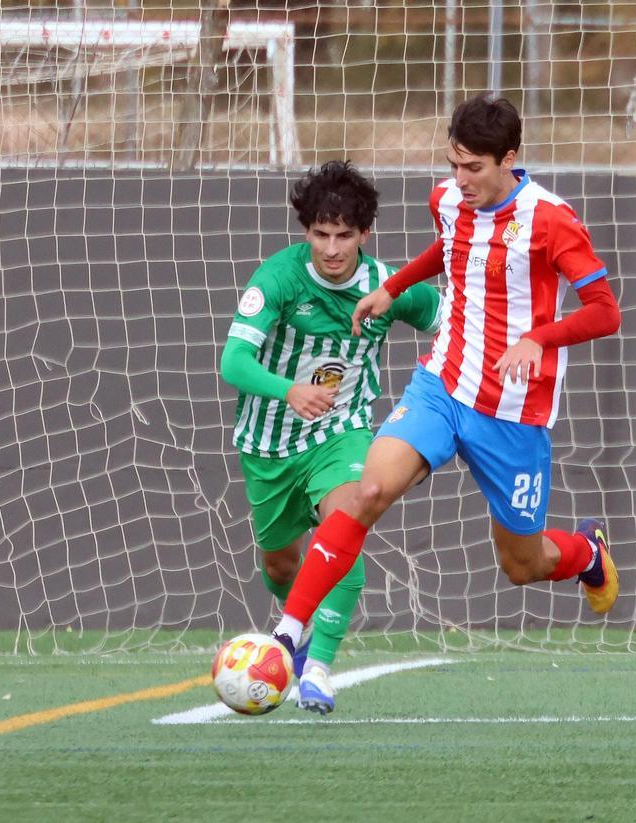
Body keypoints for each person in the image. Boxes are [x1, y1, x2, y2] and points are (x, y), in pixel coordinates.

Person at [269, 97, 623, 659]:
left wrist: (539, 337)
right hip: (443, 383)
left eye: (474, 168)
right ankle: (287, 635)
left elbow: (606, 311)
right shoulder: (449, 199)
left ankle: (586, 554)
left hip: (511, 409)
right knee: (370, 490)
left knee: (522, 565)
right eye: (454, 165)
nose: (460, 180)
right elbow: (452, 248)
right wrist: (394, 286)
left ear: (509, 157)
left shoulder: (551, 219)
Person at [220, 160, 441, 714]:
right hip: (268, 443)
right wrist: (287, 390)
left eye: (344, 235)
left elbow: (449, 319)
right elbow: (233, 362)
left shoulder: (389, 288)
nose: (332, 247)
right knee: (279, 566)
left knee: (346, 521)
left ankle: (317, 666)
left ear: (365, 234)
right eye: (321, 234)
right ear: (306, 232)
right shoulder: (277, 278)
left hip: (340, 433)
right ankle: (301, 645)